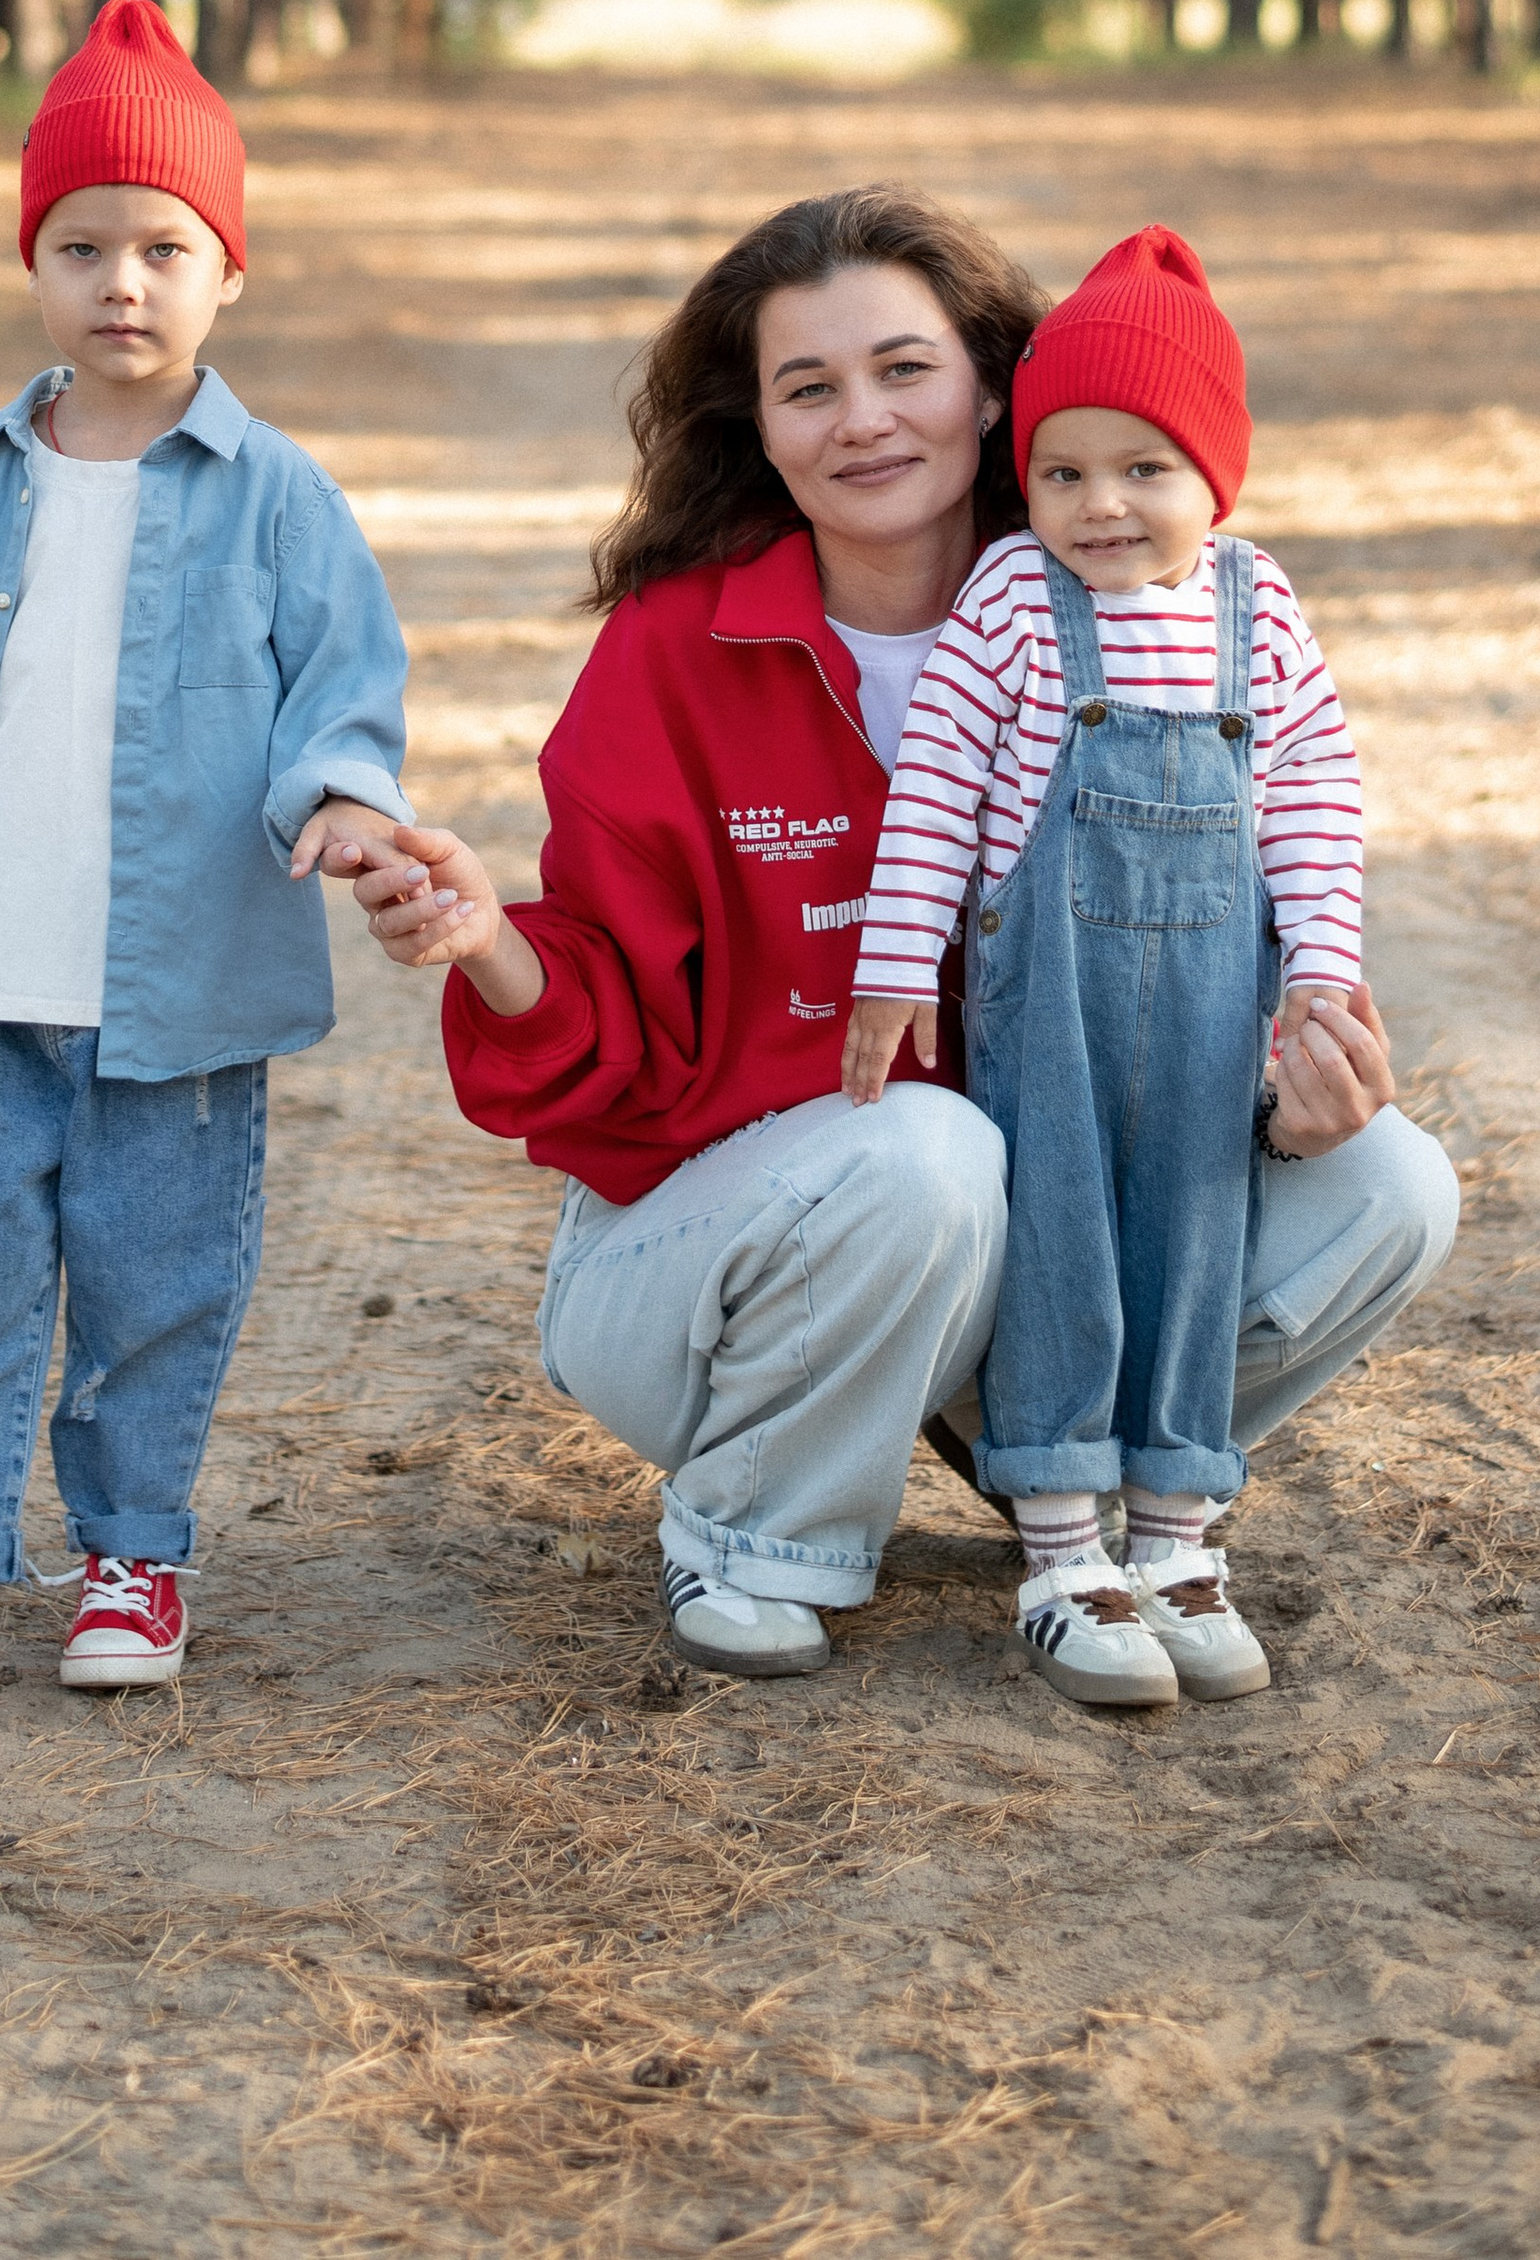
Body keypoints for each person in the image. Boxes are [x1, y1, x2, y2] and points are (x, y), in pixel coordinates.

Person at [350, 187, 1457, 1683]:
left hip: (1047, 1226)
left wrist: (1295, 1078)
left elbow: (1239, 908)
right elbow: (598, 1043)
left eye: (905, 369)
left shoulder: (1151, 610)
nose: (863, 420)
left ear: (995, 389)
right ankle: (753, 1523)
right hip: (721, 1263)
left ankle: (1081, 1483)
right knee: (927, 1144)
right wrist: (492, 940)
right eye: (809, 387)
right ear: (761, 428)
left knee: (1389, 1182)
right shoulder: (683, 650)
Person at [0, 0, 414, 1724]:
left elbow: (345, 688)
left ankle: (133, 1551)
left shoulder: (278, 493)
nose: (121, 282)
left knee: (159, 1286)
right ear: (35, 268)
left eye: (164, 246)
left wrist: (344, 802)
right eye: (82, 247)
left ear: (230, 272)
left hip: (185, 991)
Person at [846, 224, 1365, 1713]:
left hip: (1215, 999)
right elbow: (937, 789)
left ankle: (1182, 1537)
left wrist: (1321, 970)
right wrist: (892, 974)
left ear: (1217, 477)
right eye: (1064, 471)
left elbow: (1318, 785)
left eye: (1145, 469)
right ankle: (1064, 1551)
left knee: (1197, 1240)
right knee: (1063, 1237)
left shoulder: (1254, 607)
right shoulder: (1013, 597)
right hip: (1049, 997)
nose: (1100, 505)